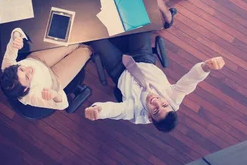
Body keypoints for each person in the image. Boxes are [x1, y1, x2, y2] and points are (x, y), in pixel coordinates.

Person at [85, 33, 225, 132]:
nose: (156, 102)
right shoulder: (173, 99)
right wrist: (206, 67)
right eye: (164, 104)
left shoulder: (136, 114)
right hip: (143, 58)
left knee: (94, 37)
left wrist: (98, 110)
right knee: (136, 17)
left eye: (156, 110)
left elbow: (116, 111)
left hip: (120, 71)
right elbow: (189, 82)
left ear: (149, 117)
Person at [0, 28, 92, 110]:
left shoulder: (8, 68)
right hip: (54, 80)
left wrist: (16, 37)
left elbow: (16, 31)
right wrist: (55, 95)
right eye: (27, 77)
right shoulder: (33, 98)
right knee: (86, 51)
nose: (29, 69)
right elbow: (63, 105)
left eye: (21, 69)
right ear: (25, 89)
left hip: (38, 59)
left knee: (72, 41)